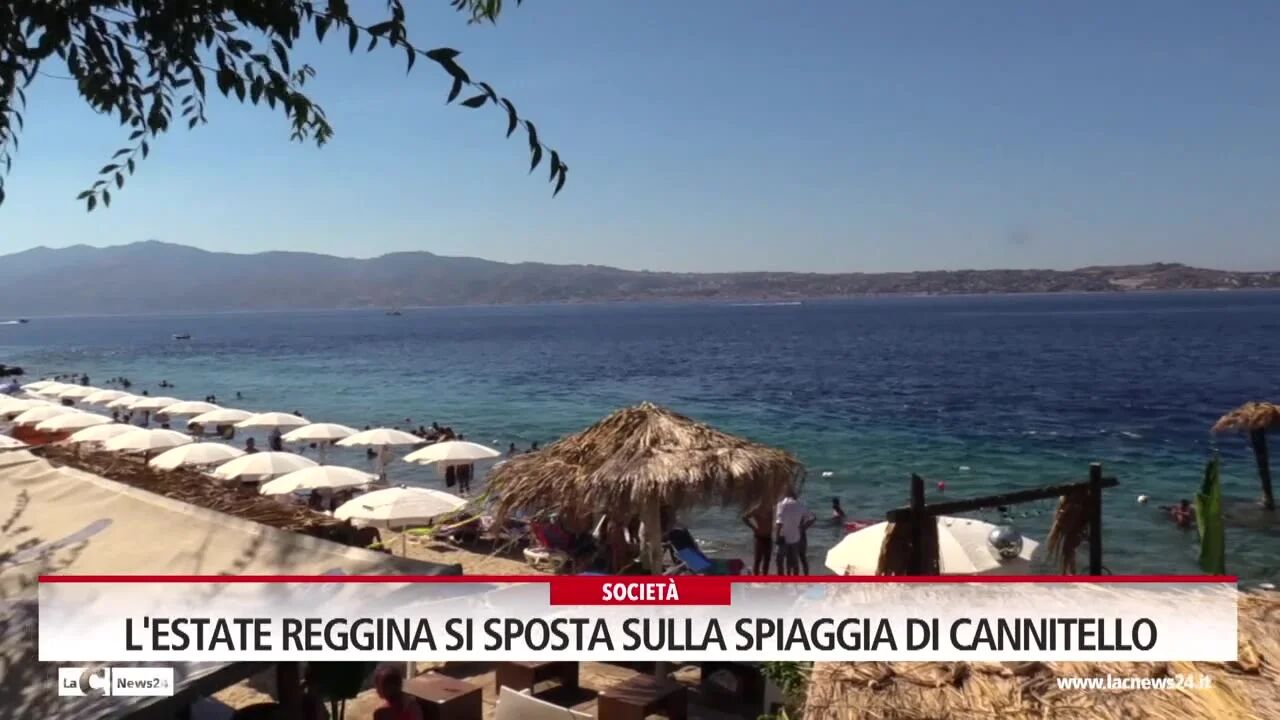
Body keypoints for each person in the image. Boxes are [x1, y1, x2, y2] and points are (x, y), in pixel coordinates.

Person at [774, 489, 810, 576]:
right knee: (795, 562)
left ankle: (782, 580)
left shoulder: (781, 505)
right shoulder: (800, 506)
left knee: (780, 560)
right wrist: (803, 528)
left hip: (784, 537)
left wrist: (777, 536)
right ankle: (796, 581)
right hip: (796, 538)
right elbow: (812, 518)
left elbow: (779, 523)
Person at [741, 504, 774, 575]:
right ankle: (756, 578)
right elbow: (744, 518)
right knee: (758, 559)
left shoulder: (771, 508)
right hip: (759, 537)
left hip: (768, 537)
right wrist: (754, 528)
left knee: (767, 559)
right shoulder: (757, 509)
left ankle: (764, 578)